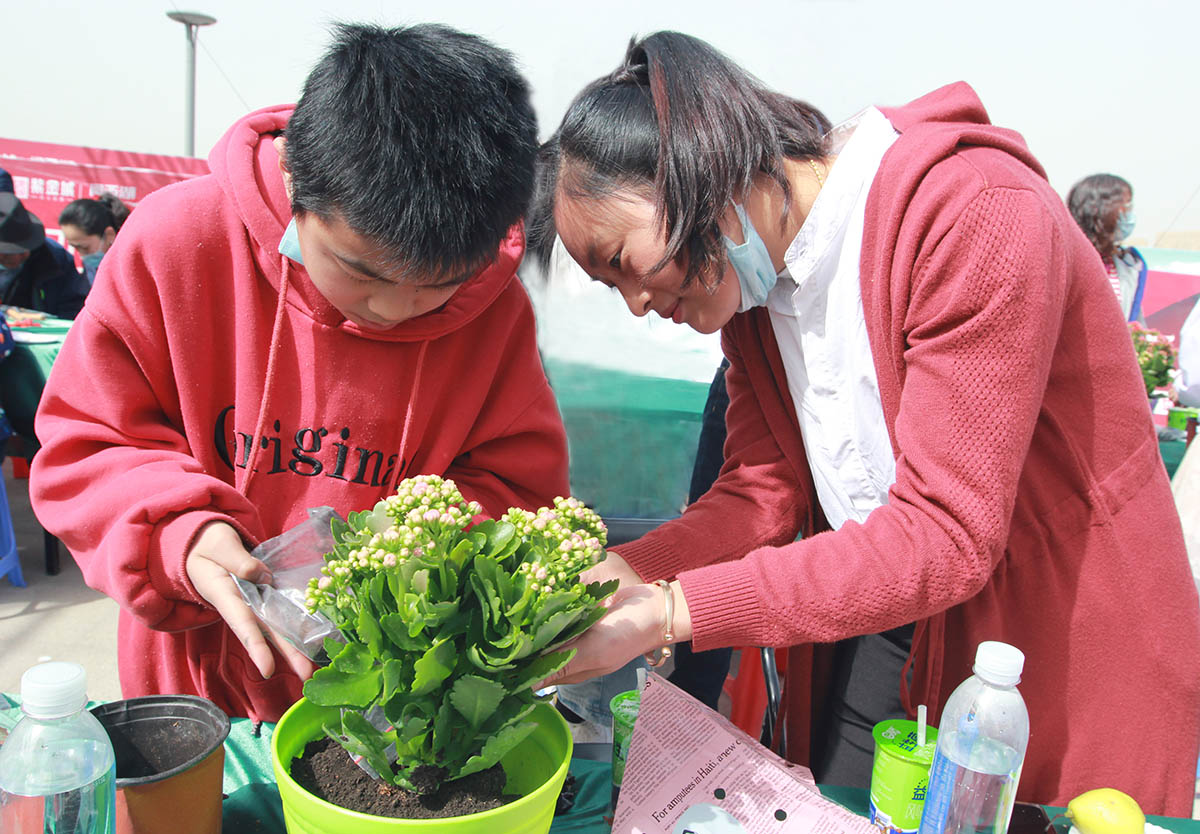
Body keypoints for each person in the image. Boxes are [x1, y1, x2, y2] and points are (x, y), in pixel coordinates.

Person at [529, 31, 1200, 815]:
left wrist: (673, 612)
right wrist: (633, 570)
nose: (637, 304)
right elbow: (762, 495)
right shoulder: (754, 300)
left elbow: (945, 533)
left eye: (622, 264)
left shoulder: (969, 213)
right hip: (892, 618)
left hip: (1044, 634)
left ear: (695, 165)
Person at [29, 22, 569, 723]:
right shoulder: (179, 242)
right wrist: (178, 532)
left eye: (439, 284)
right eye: (362, 271)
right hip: (198, 682)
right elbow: (88, 441)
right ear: (292, 179)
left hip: (391, 702)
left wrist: (417, 544)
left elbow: (517, 490)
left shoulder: (496, 310)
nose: (395, 308)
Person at [1067, 173, 1147, 323]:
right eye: (1126, 206)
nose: (1130, 215)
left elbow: (1135, 321)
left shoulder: (1128, 265)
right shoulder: (1069, 261)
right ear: (1101, 210)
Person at [0, 193, 91, 319]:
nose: (15, 259)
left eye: (22, 252)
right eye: (6, 254)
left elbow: (73, 305)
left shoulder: (55, 258)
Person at [59, 194, 131, 283]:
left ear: (109, 235)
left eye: (85, 248)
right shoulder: (91, 269)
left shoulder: (130, 269)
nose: (82, 256)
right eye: (75, 248)